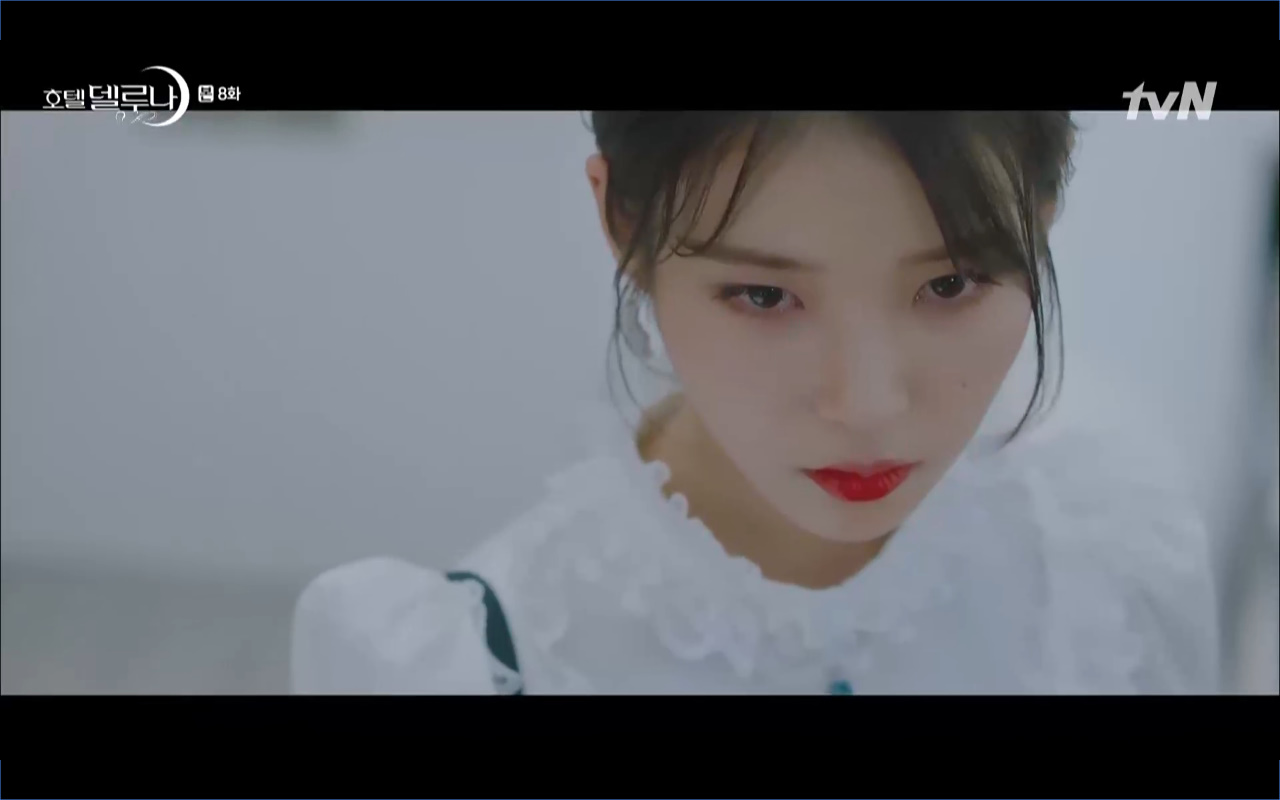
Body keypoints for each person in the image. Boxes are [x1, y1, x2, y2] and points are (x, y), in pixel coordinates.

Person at [290, 112, 1220, 694]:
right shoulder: (483, 661)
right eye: (766, 296)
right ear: (623, 223)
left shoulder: (1108, 573)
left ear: (1045, 211)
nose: (867, 405)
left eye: (951, 284)